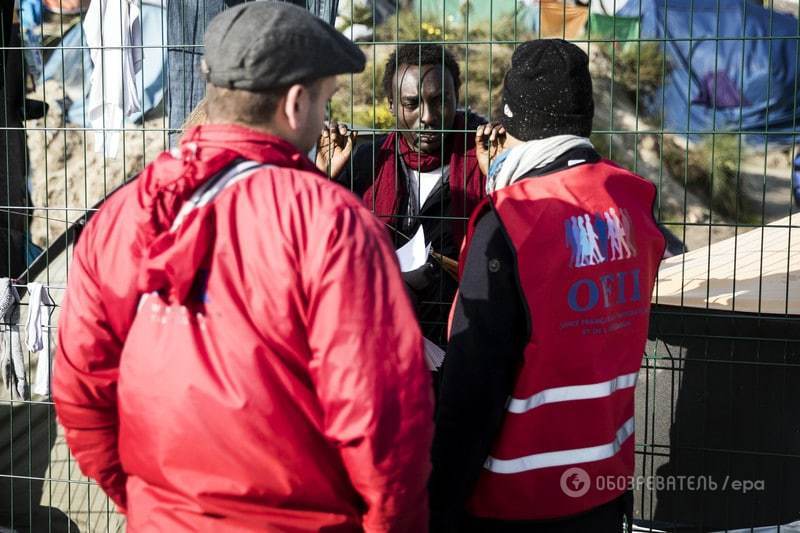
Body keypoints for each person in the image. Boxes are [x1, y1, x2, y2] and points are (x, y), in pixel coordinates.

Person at [53, 3, 433, 531]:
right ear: (296, 104)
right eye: (324, 102)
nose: (325, 120)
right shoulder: (332, 223)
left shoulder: (123, 213)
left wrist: (146, 499)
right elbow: (381, 425)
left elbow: (79, 389)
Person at [430, 39, 666, 531]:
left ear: (515, 123)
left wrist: (437, 507)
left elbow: (471, 391)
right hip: (603, 483)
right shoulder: (633, 200)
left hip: (518, 498)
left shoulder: (509, 221)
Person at [318, 43, 489, 345]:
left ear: (456, 98)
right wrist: (324, 178)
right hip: (378, 334)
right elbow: (321, 246)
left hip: (463, 336)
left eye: (440, 101)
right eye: (412, 104)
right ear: (392, 106)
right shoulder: (365, 164)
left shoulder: (483, 162)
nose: (428, 116)